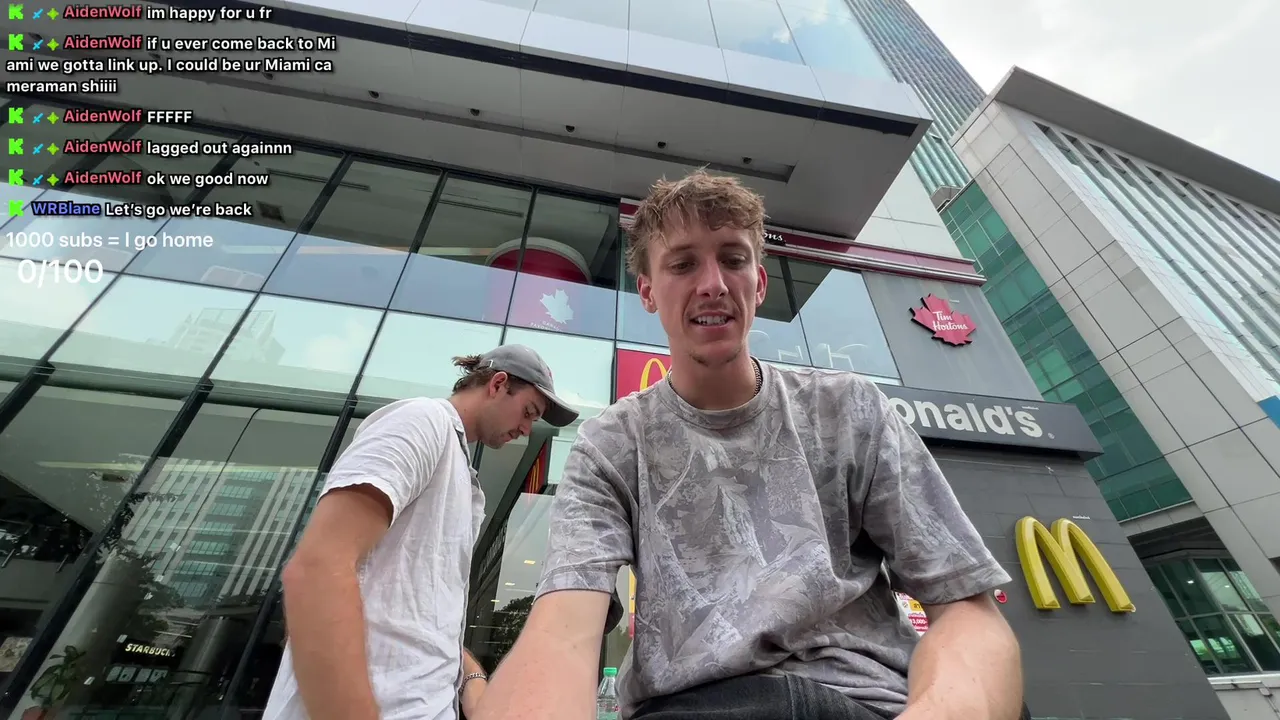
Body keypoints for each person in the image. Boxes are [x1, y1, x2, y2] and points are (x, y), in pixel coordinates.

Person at [474, 170, 1024, 720]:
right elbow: (562, 631)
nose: (713, 283)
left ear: (758, 283)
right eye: (683, 264)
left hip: (867, 701)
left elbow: (966, 608)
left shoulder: (849, 410)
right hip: (691, 708)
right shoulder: (611, 445)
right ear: (647, 292)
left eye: (733, 259)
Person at [262, 345, 579, 720]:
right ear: (497, 384)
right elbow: (317, 569)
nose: (526, 429)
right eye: (528, 412)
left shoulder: (460, 471)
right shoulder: (423, 421)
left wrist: (470, 676)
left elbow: (413, 616)